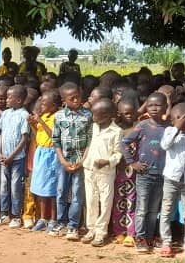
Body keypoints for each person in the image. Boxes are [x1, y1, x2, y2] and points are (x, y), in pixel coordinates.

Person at [121, 94, 169, 253]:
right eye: (150, 105)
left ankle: (149, 236)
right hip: (144, 174)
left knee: (154, 209)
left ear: (165, 107)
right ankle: (140, 237)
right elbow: (125, 142)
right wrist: (132, 162)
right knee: (142, 208)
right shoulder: (142, 125)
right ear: (146, 107)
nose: (154, 108)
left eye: (158, 105)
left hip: (162, 175)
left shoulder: (169, 127)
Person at [52, 82, 92, 238]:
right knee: (61, 192)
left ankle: (73, 226)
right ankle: (61, 222)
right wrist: (62, 161)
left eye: (78, 97)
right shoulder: (59, 116)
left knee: (77, 194)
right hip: (63, 161)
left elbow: (90, 140)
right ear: (64, 100)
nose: (76, 100)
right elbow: (56, 140)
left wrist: (82, 161)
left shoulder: (88, 116)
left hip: (80, 161)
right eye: (72, 98)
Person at [81, 98, 122, 246]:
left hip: (106, 172)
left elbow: (118, 153)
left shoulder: (116, 131)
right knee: (91, 200)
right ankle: (91, 229)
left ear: (106, 116)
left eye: (95, 114)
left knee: (105, 202)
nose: (93, 117)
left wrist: (107, 161)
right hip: (89, 169)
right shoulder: (93, 127)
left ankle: (101, 232)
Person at [156, 102, 185, 257]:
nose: (179, 121)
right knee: (166, 210)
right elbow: (165, 145)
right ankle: (166, 242)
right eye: (176, 118)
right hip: (171, 178)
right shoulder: (169, 131)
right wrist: (176, 128)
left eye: (182, 117)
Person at [0, 85, 31, 227]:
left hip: (17, 158)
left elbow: (24, 139)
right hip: (4, 157)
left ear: (19, 100)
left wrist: (12, 156)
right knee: (3, 185)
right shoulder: (6, 113)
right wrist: (0, 152)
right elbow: (2, 134)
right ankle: (4, 214)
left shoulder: (24, 115)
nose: (7, 99)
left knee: (15, 186)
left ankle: (16, 216)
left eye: (10, 97)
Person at [29, 90, 60, 232]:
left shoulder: (56, 117)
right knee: (40, 187)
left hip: (51, 154)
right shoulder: (44, 116)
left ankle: (53, 219)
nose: (41, 106)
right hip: (41, 152)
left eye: (44, 104)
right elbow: (38, 135)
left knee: (51, 188)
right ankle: (42, 218)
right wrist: (32, 125)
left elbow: (53, 136)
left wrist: (40, 121)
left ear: (53, 106)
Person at [111, 98, 139, 245]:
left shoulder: (139, 127)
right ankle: (118, 231)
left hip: (134, 172)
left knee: (132, 201)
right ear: (119, 114)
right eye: (126, 113)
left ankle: (131, 233)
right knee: (118, 202)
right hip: (118, 171)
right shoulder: (116, 129)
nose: (130, 115)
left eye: (132, 112)